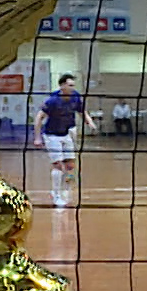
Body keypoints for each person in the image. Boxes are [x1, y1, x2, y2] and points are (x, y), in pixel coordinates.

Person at [34, 74, 97, 208]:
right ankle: (56, 195)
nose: (72, 88)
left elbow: (82, 111)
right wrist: (37, 137)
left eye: (73, 85)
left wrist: (89, 122)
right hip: (51, 135)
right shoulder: (53, 101)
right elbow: (39, 117)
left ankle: (66, 190)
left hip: (66, 133)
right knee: (58, 165)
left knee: (70, 166)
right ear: (62, 86)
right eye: (70, 85)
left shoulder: (75, 97)